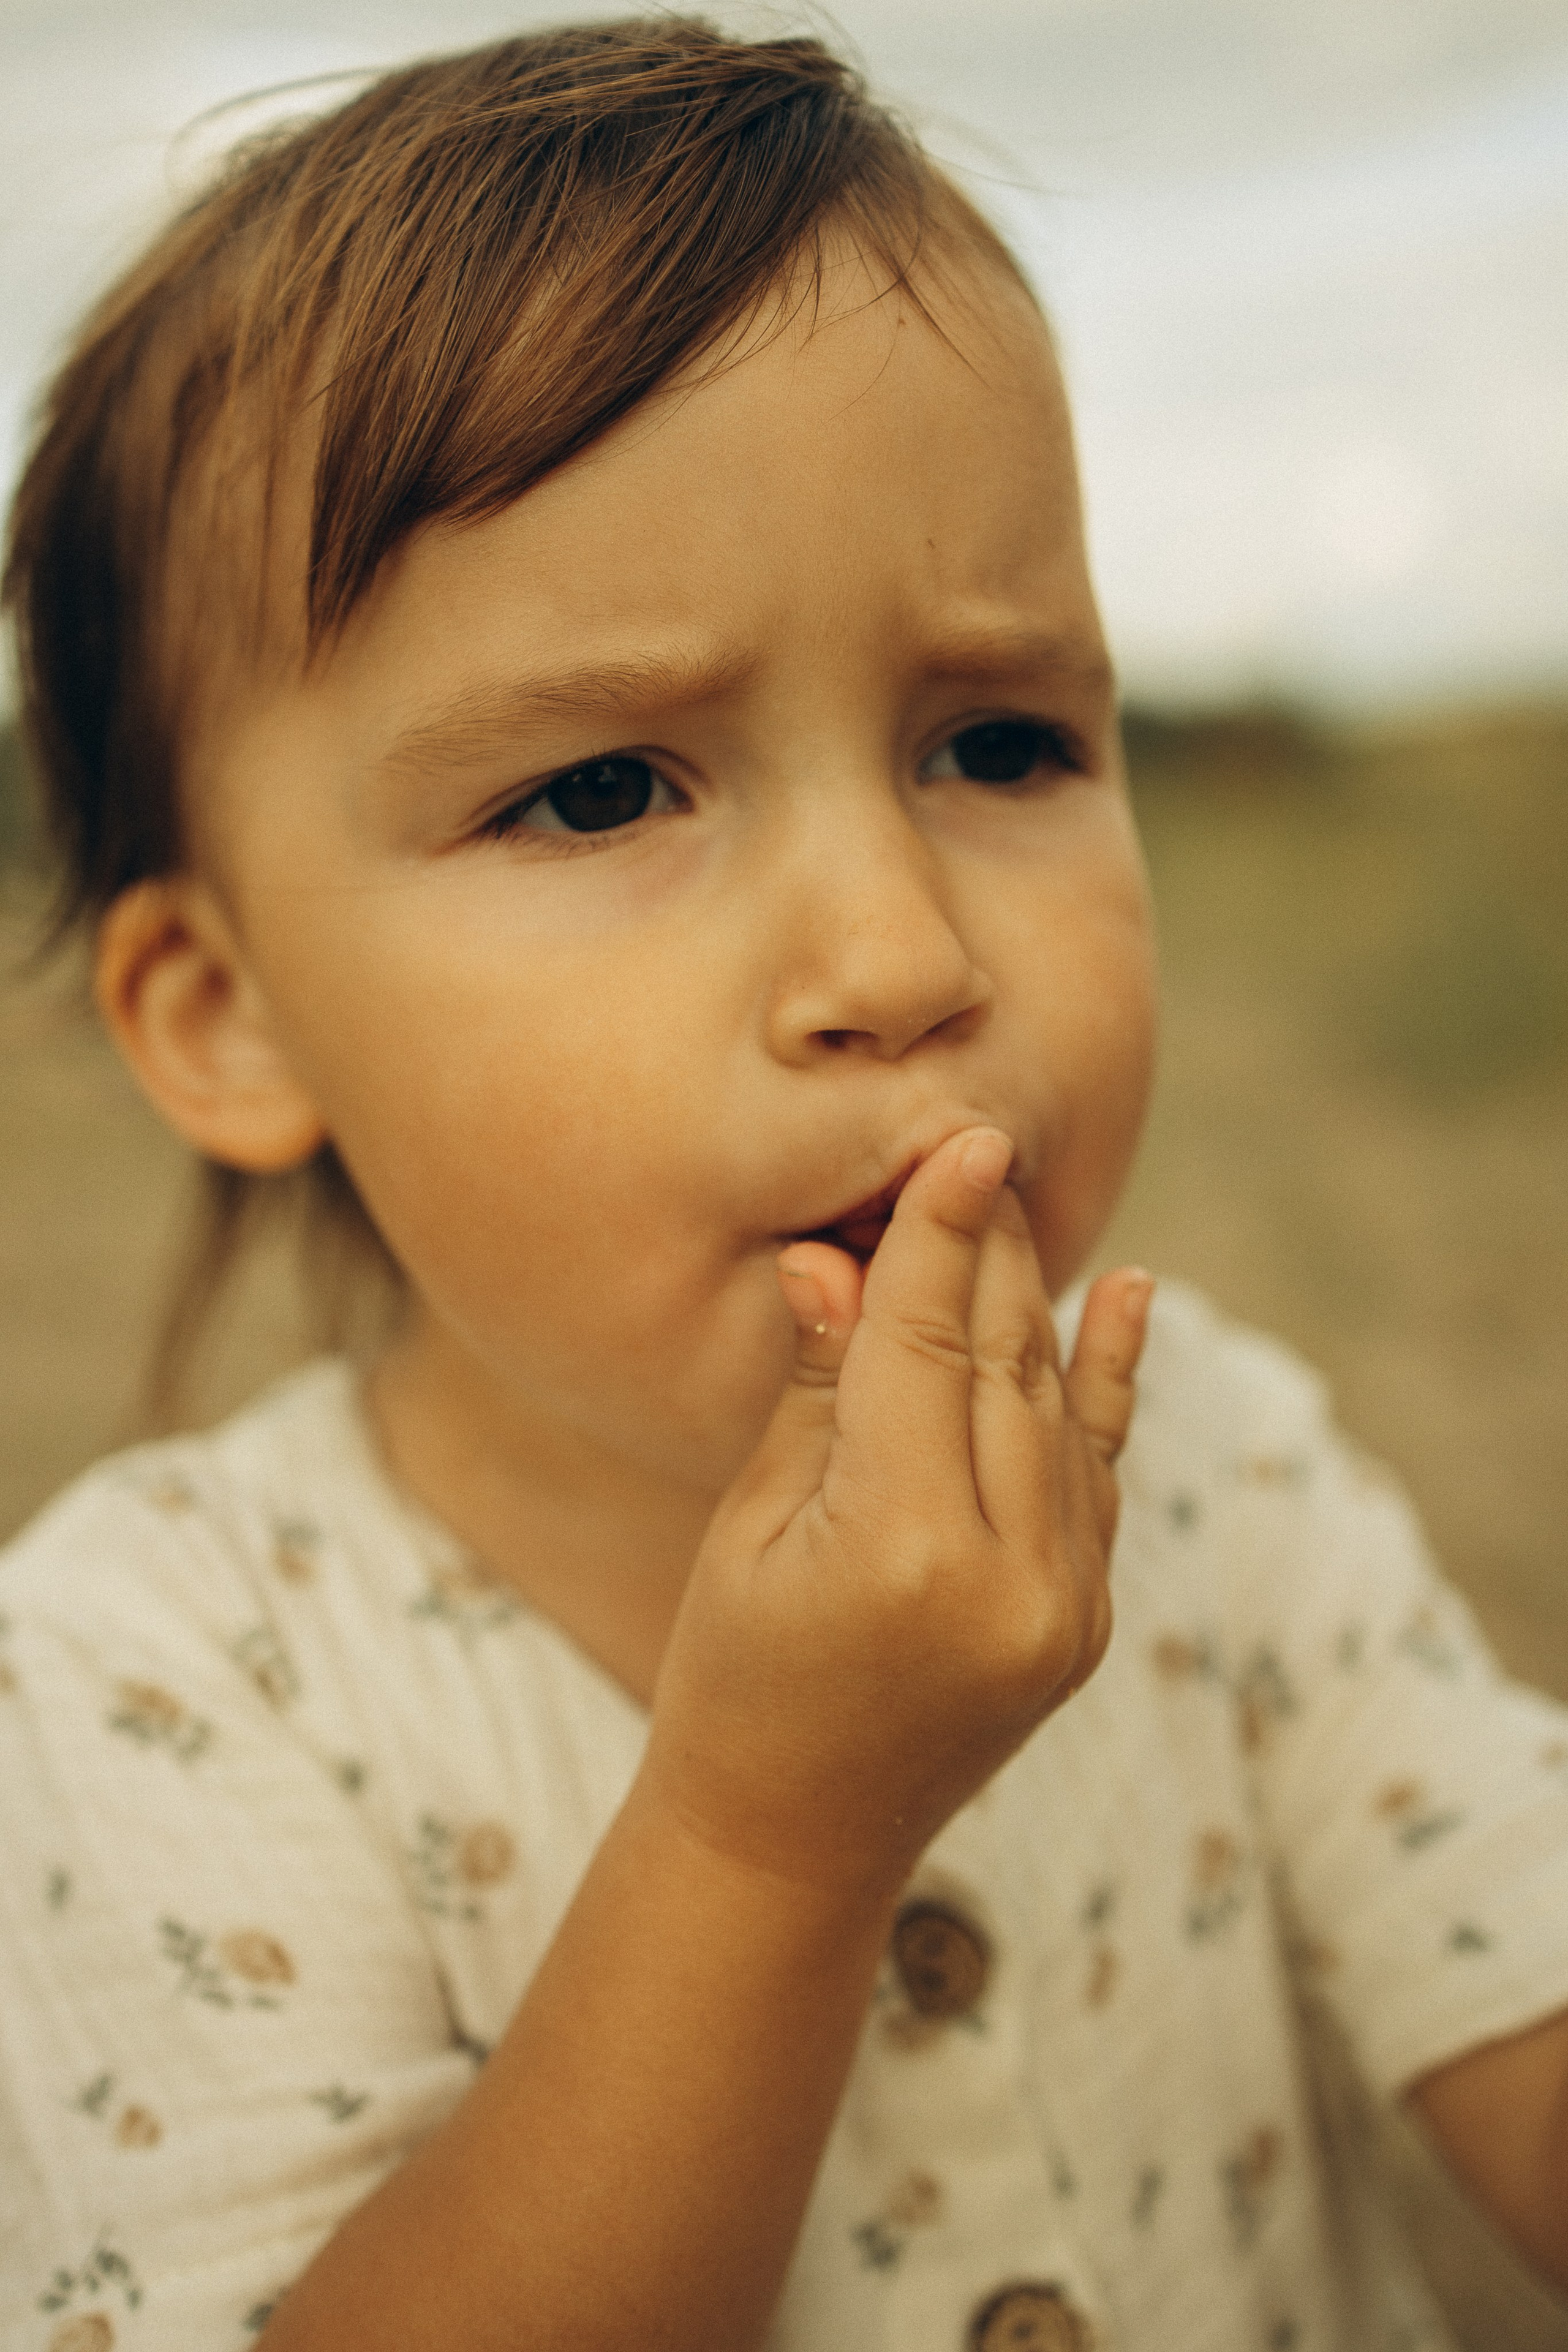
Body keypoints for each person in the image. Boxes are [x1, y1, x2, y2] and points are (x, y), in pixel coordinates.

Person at [1, 20, 1566, 2351]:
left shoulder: (1215, 1471)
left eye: (1000, 742)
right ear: (230, 1016)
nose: (904, 958)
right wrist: (767, 1834)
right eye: (608, 791)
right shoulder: (155, 1688)